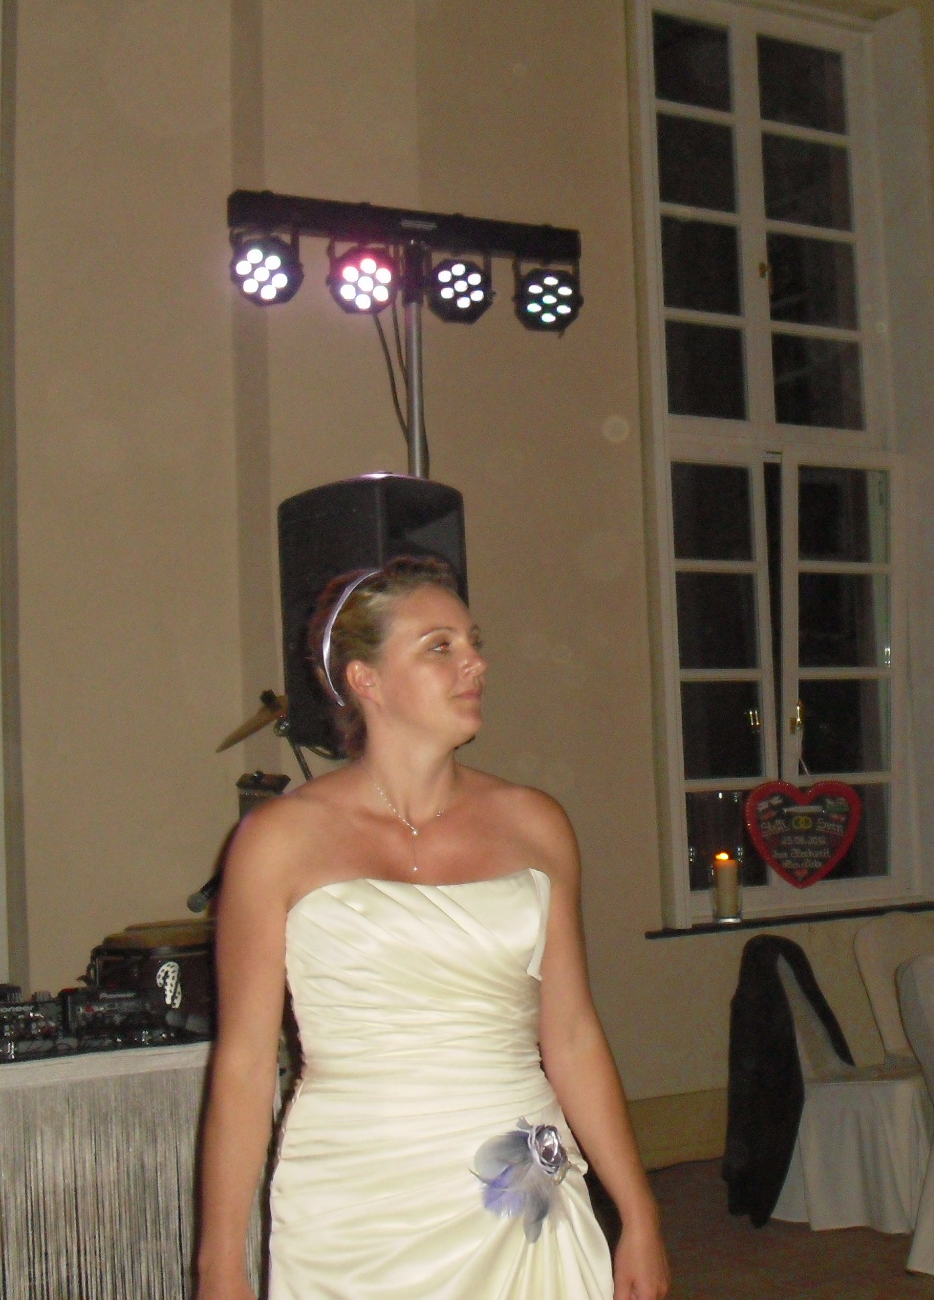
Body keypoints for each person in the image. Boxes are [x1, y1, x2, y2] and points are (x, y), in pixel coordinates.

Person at [197, 556, 669, 1300]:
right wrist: (219, 1266)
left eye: (474, 642)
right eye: (439, 646)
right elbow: (246, 1065)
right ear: (366, 679)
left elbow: (573, 1034)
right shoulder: (277, 840)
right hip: (356, 1208)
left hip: (517, 1198)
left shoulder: (535, 825)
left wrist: (639, 1213)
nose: (475, 662)